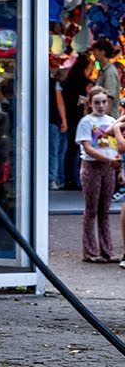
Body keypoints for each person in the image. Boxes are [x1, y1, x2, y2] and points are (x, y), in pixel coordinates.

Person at [76, 87, 118, 263]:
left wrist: (119, 168)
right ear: (90, 104)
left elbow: (116, 146)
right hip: (92, 167)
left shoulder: (112, 121)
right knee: (91, 209)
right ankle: (90, 251)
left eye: (104, 102)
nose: (101, 106)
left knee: (104, 210)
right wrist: (109, 160)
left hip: (109, 167)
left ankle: (107, 250)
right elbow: (88, 148)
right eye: (97, 102)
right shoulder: (86, 122)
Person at [63, 52, 95, 189]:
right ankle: (80, 178)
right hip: (81, 118)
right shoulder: (86, 83)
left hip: (69, 118)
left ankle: (68, 178)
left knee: (70, 150)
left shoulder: (67, 82)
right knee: (83, 150)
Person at [49, 56, 69, 191]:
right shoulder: (55, 84)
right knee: (54, 151)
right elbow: (60, 103)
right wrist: (64, 120)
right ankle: (52, 179)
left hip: (42, 120)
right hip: (53, 120)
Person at [91, 38, 121, 106]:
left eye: (95, 51)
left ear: (102, 52)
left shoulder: (110, 72)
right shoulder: (102, 70)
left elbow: (109, 97)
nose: (93, 54)